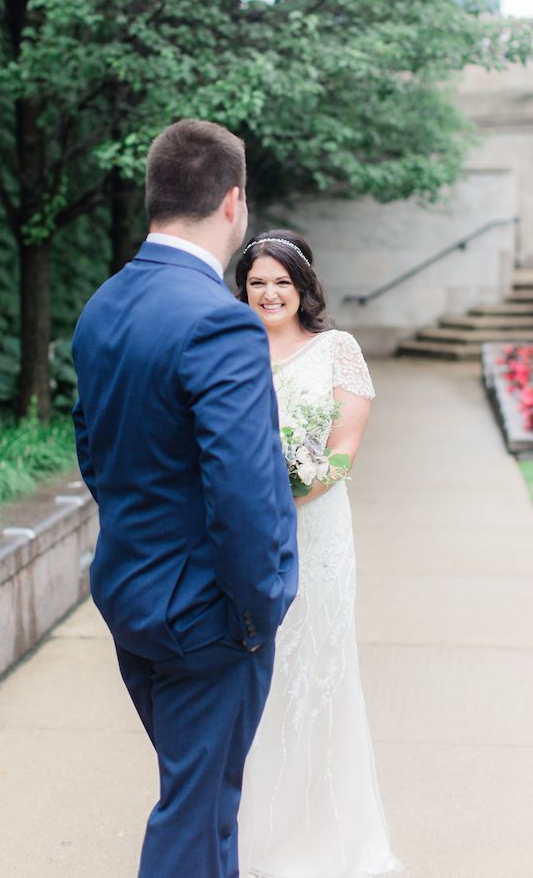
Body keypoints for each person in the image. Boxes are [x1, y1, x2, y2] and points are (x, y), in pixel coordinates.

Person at [71, 122, 298, 878]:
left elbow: (93, 453)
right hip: (207, 619)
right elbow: (246, 493)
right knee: (194, 818)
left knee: (204, 802)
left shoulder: (103, 305)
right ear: (234, 201)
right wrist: (256, 611)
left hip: (132, 597)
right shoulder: (220, 320)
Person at [235, 230, 402, 878]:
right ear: (243, 290)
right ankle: (251, 830)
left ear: (304, 287)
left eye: (281, 281)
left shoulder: (336, 349)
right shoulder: (232, 348)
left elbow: (344, 445)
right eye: (257, 282)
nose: (270, 293)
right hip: (245, 533)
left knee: (317, 665)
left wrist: (296, 487)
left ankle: (322, 836)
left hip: (316, 529)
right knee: (255, 669)